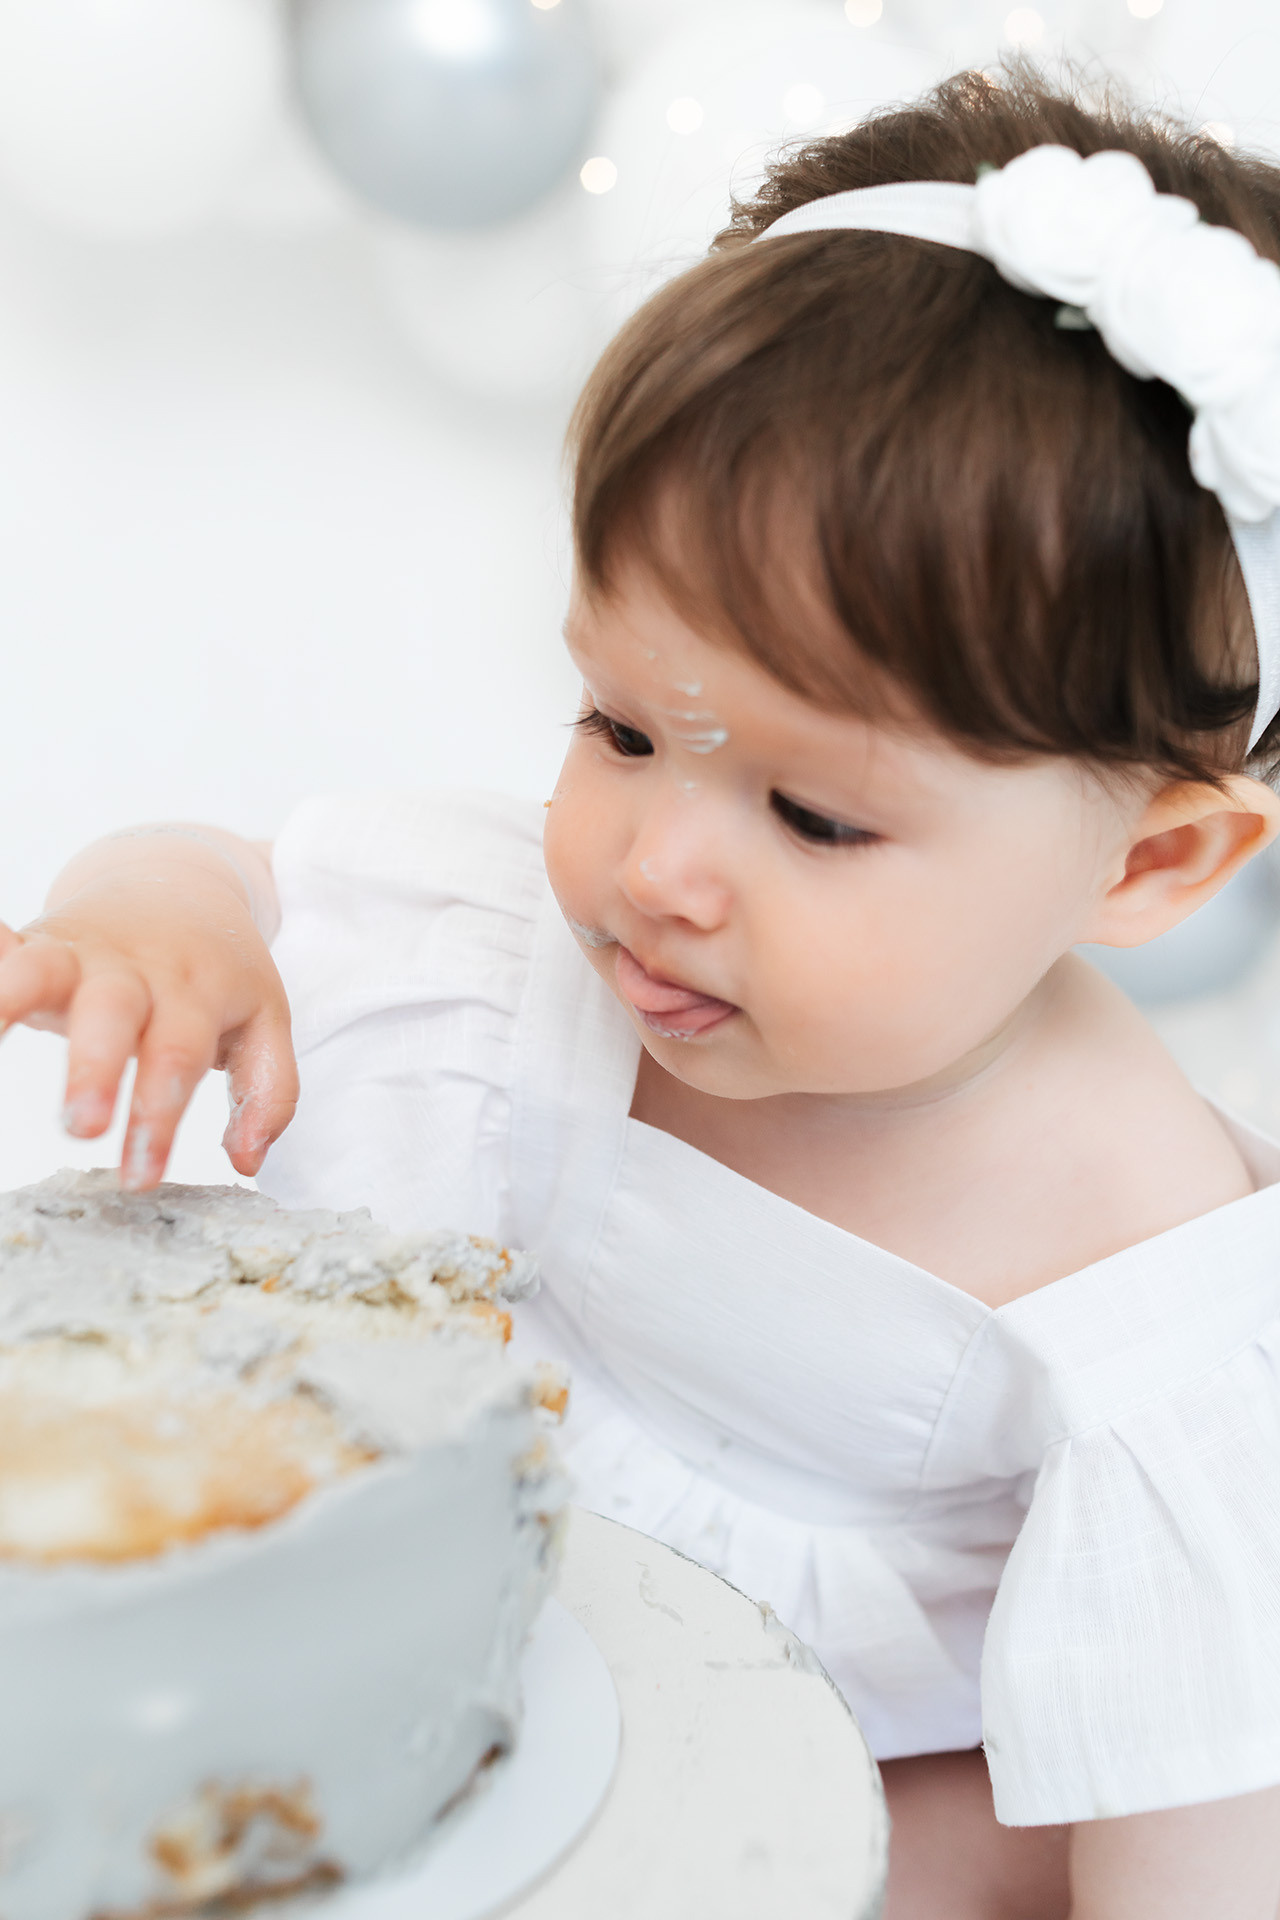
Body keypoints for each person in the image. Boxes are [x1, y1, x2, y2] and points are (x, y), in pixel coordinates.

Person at [6, 68, 1280, 1918]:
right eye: (616, 725)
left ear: (1152, 865)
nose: (658, 872)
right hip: (446, 1630)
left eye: (817, 817)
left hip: (844, 1766)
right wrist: (151, 922)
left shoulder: (1153, 1315)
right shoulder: (533, 966)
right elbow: (253, 882)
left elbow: (1192, 1832)